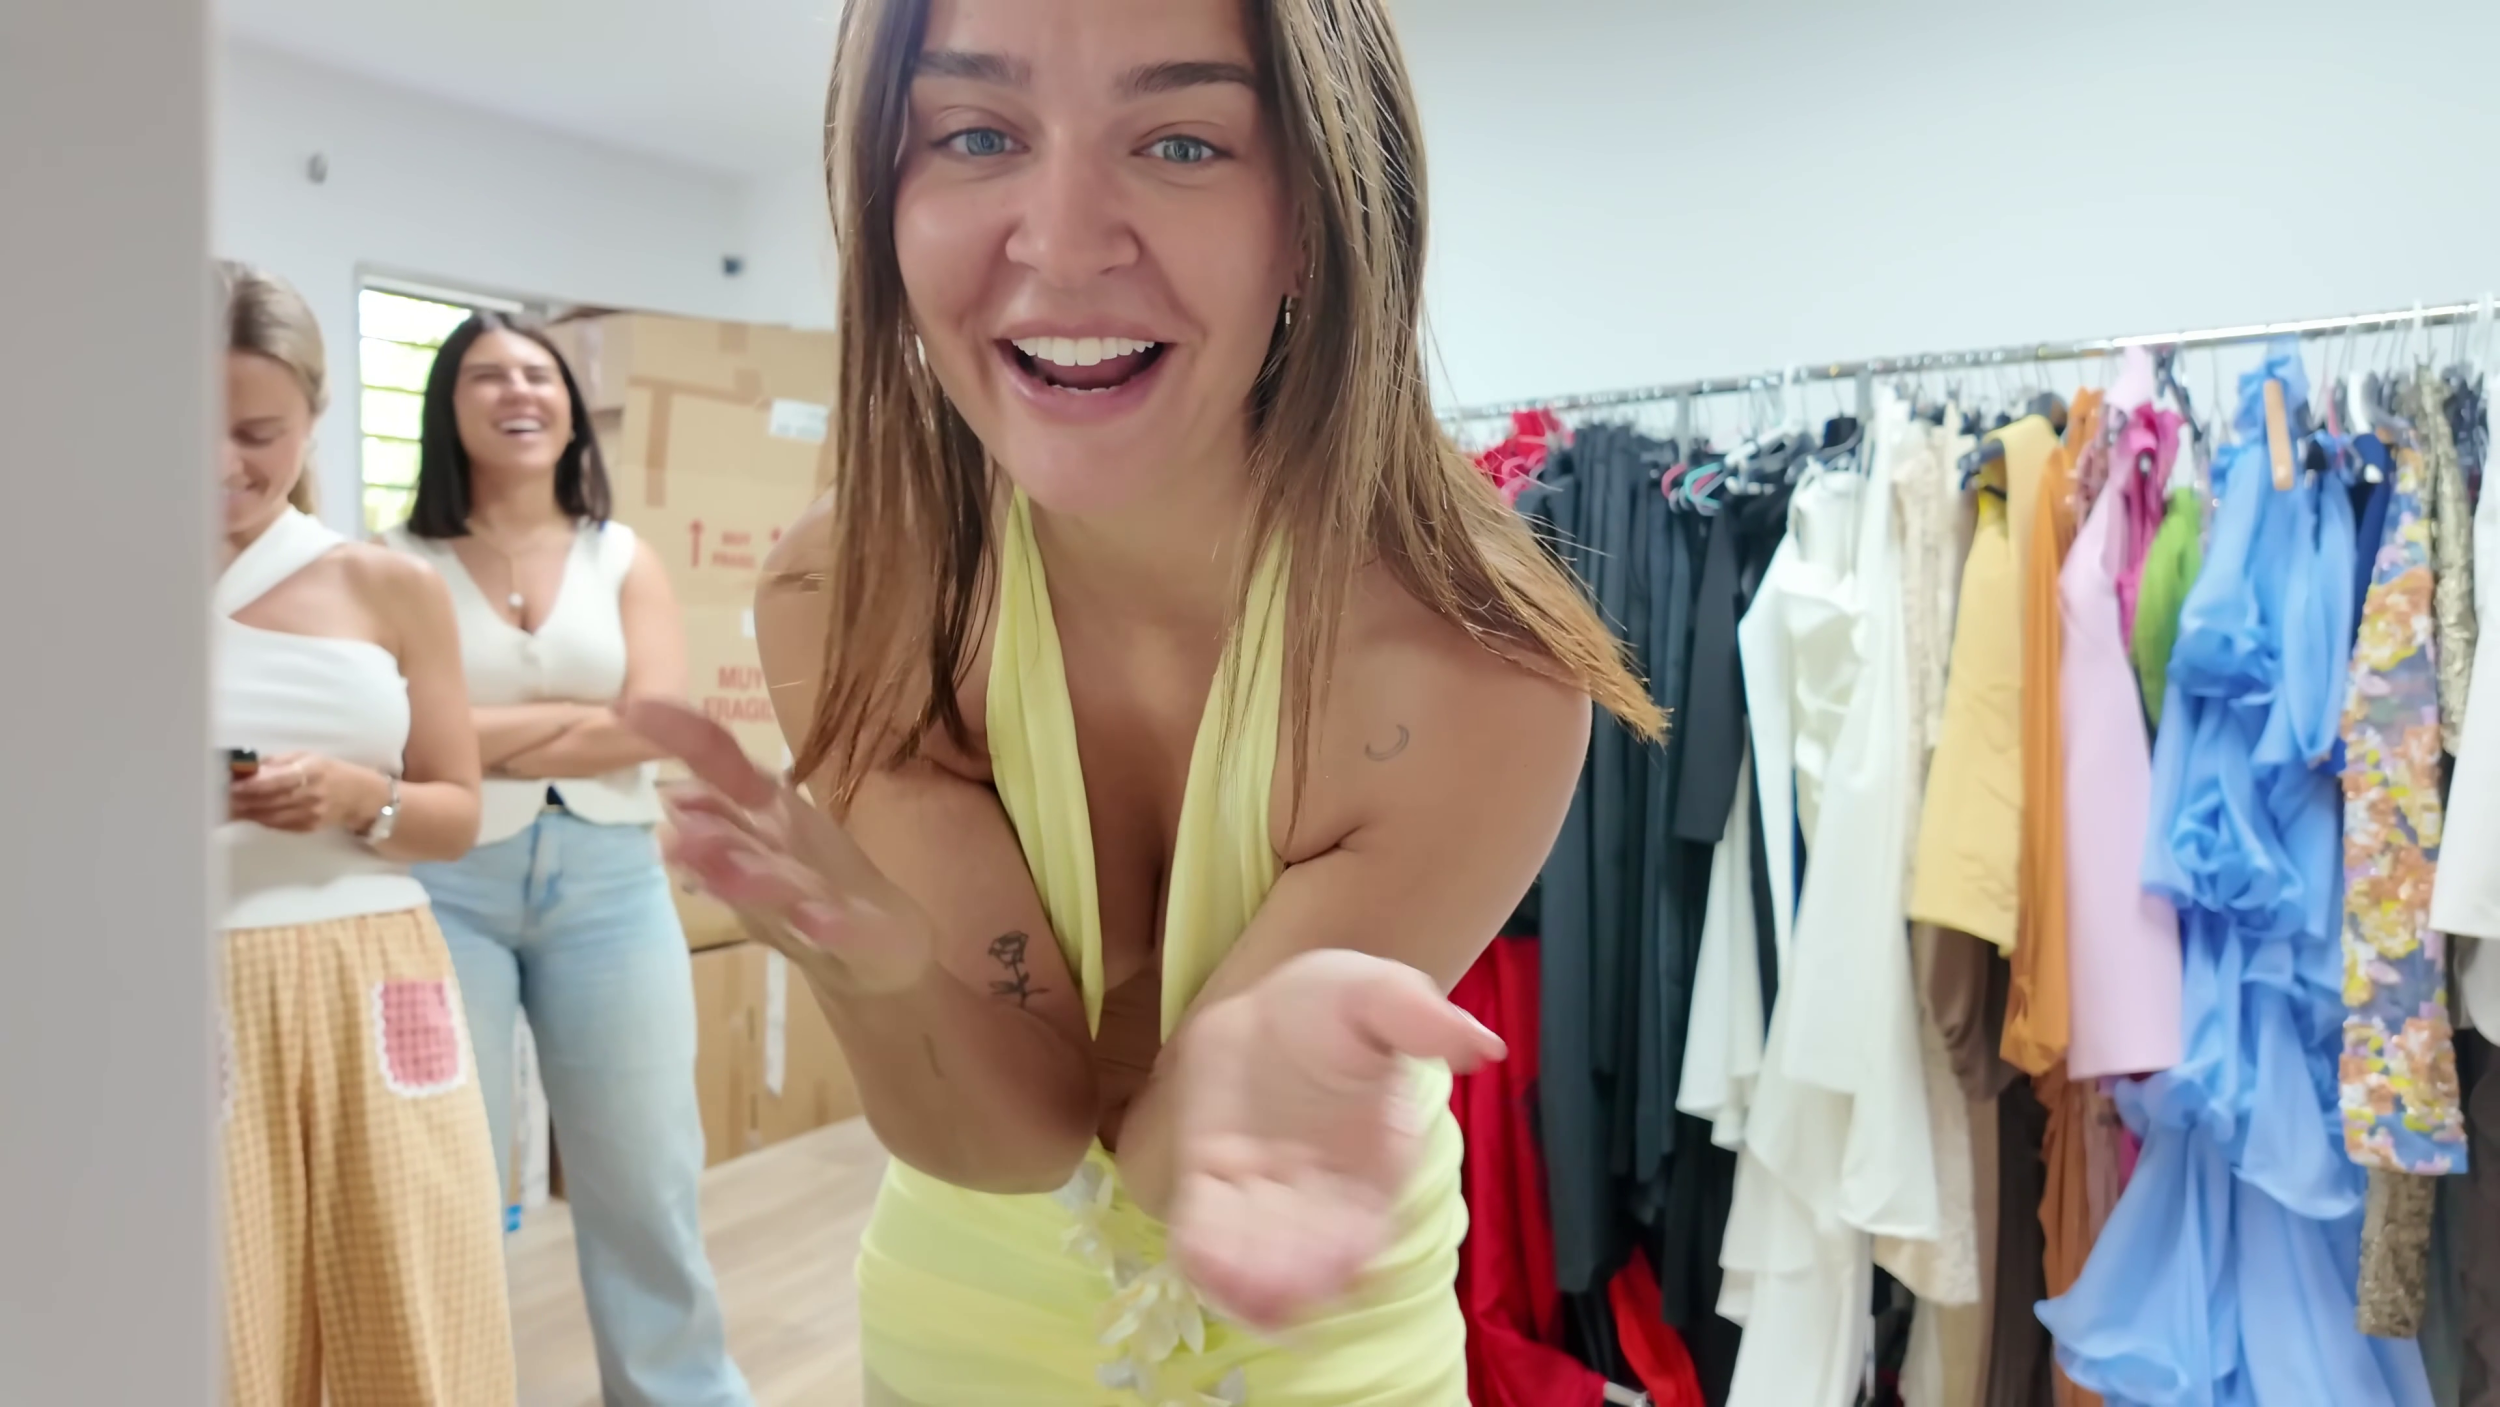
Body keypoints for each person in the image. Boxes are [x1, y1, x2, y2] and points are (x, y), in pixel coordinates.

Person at [628, 0, 1663, 1402]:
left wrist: (1256, 1090)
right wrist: (875, 972)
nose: (1062, 245)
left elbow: (1182, 1164)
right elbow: (1010, 1135)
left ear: (1320, 214)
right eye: (975, 134)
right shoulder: (859, 589)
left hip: (1328, 1362)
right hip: (957, 1340)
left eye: (1181, 142)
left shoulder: (1479, 667)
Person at [384, 314, 753, 1407]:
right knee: (449, 1169)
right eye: (488, 375)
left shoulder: (620, 555)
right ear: (447, 405)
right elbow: (393, 736)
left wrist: (470, 730)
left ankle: (679, 1392)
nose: (519, 392)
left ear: (570, 408)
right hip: (442, 884)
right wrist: (582, 719)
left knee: (646, 1171)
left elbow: (658, 722)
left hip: (611, 886)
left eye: (539, 375)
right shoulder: (393, 563)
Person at [212, 261, 514, 1404]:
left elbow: (456, 811)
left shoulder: (390, 587)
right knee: (223, 1333)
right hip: (187, 981)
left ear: (313, 420)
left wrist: (358, 798)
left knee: (414, 1316)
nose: (221, 465)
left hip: (374, 973)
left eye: (258, 434)